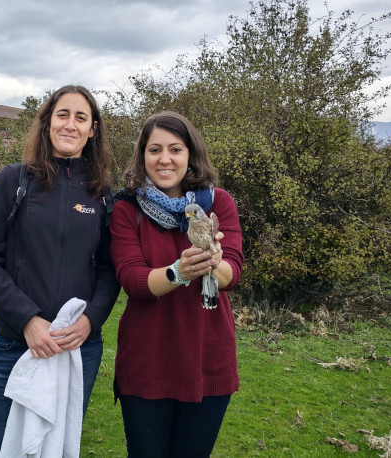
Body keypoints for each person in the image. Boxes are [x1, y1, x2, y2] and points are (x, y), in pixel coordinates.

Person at [0, 85, 120, 457]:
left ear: (93, 129)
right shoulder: (14, 180)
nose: (70, 124)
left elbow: (109, 269)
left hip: (77, 348)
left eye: (81, 117)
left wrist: (90, 322)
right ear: (48, 123)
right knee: (3, 446)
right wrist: (27, 320)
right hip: (12, 344)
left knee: (58, 447)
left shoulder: (101, 194)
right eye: (63, 114)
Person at [109, 110, 244, 457]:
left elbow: (233, 270)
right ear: (142, 156)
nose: (164, 159)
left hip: (207, 356)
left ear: (191, 155)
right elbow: (133, 279)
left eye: (175, 149)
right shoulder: (126, 208)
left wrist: (215, 263)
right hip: (147, 360)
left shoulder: (219, 202)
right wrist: (179, 272)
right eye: (154, 150)